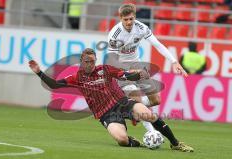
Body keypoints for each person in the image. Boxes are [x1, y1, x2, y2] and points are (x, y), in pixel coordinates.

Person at [29, 48, 193, 152]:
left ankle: (175, 143)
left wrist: (139, 74)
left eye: (93, 61)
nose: (91, 64)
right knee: (121, 139)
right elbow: (54, 85)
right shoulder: (76, 77)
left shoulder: (105, 70)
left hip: (123, 103)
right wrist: (39, 72)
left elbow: (126, 76)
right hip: (105, 113)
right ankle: (133, 143)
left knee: (148, 114)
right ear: (81, 62)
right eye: (87, 61)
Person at [106, 3, 187, 133]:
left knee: (156, 100)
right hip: (121, 69)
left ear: (134, 17)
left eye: (131, 19)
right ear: (120, 18)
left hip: (137, 65)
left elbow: (158, 44)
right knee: (137, 100)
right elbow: (112, 60)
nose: (129, 22)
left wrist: (174, 62)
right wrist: (127, 72)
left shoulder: (141, 28)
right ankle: (152, 132)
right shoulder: (115, 34)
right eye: (125, 19)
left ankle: (130, 110)